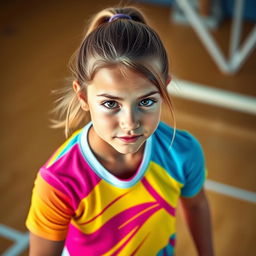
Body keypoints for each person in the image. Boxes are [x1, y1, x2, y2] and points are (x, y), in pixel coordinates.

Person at [26, 5, 214, 256]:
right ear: (83, 96)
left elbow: (197, 205)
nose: (130, 122)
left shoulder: (182, 152)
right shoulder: (59, 182)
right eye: (110, 104)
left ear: (164, 89)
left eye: (146, 101)